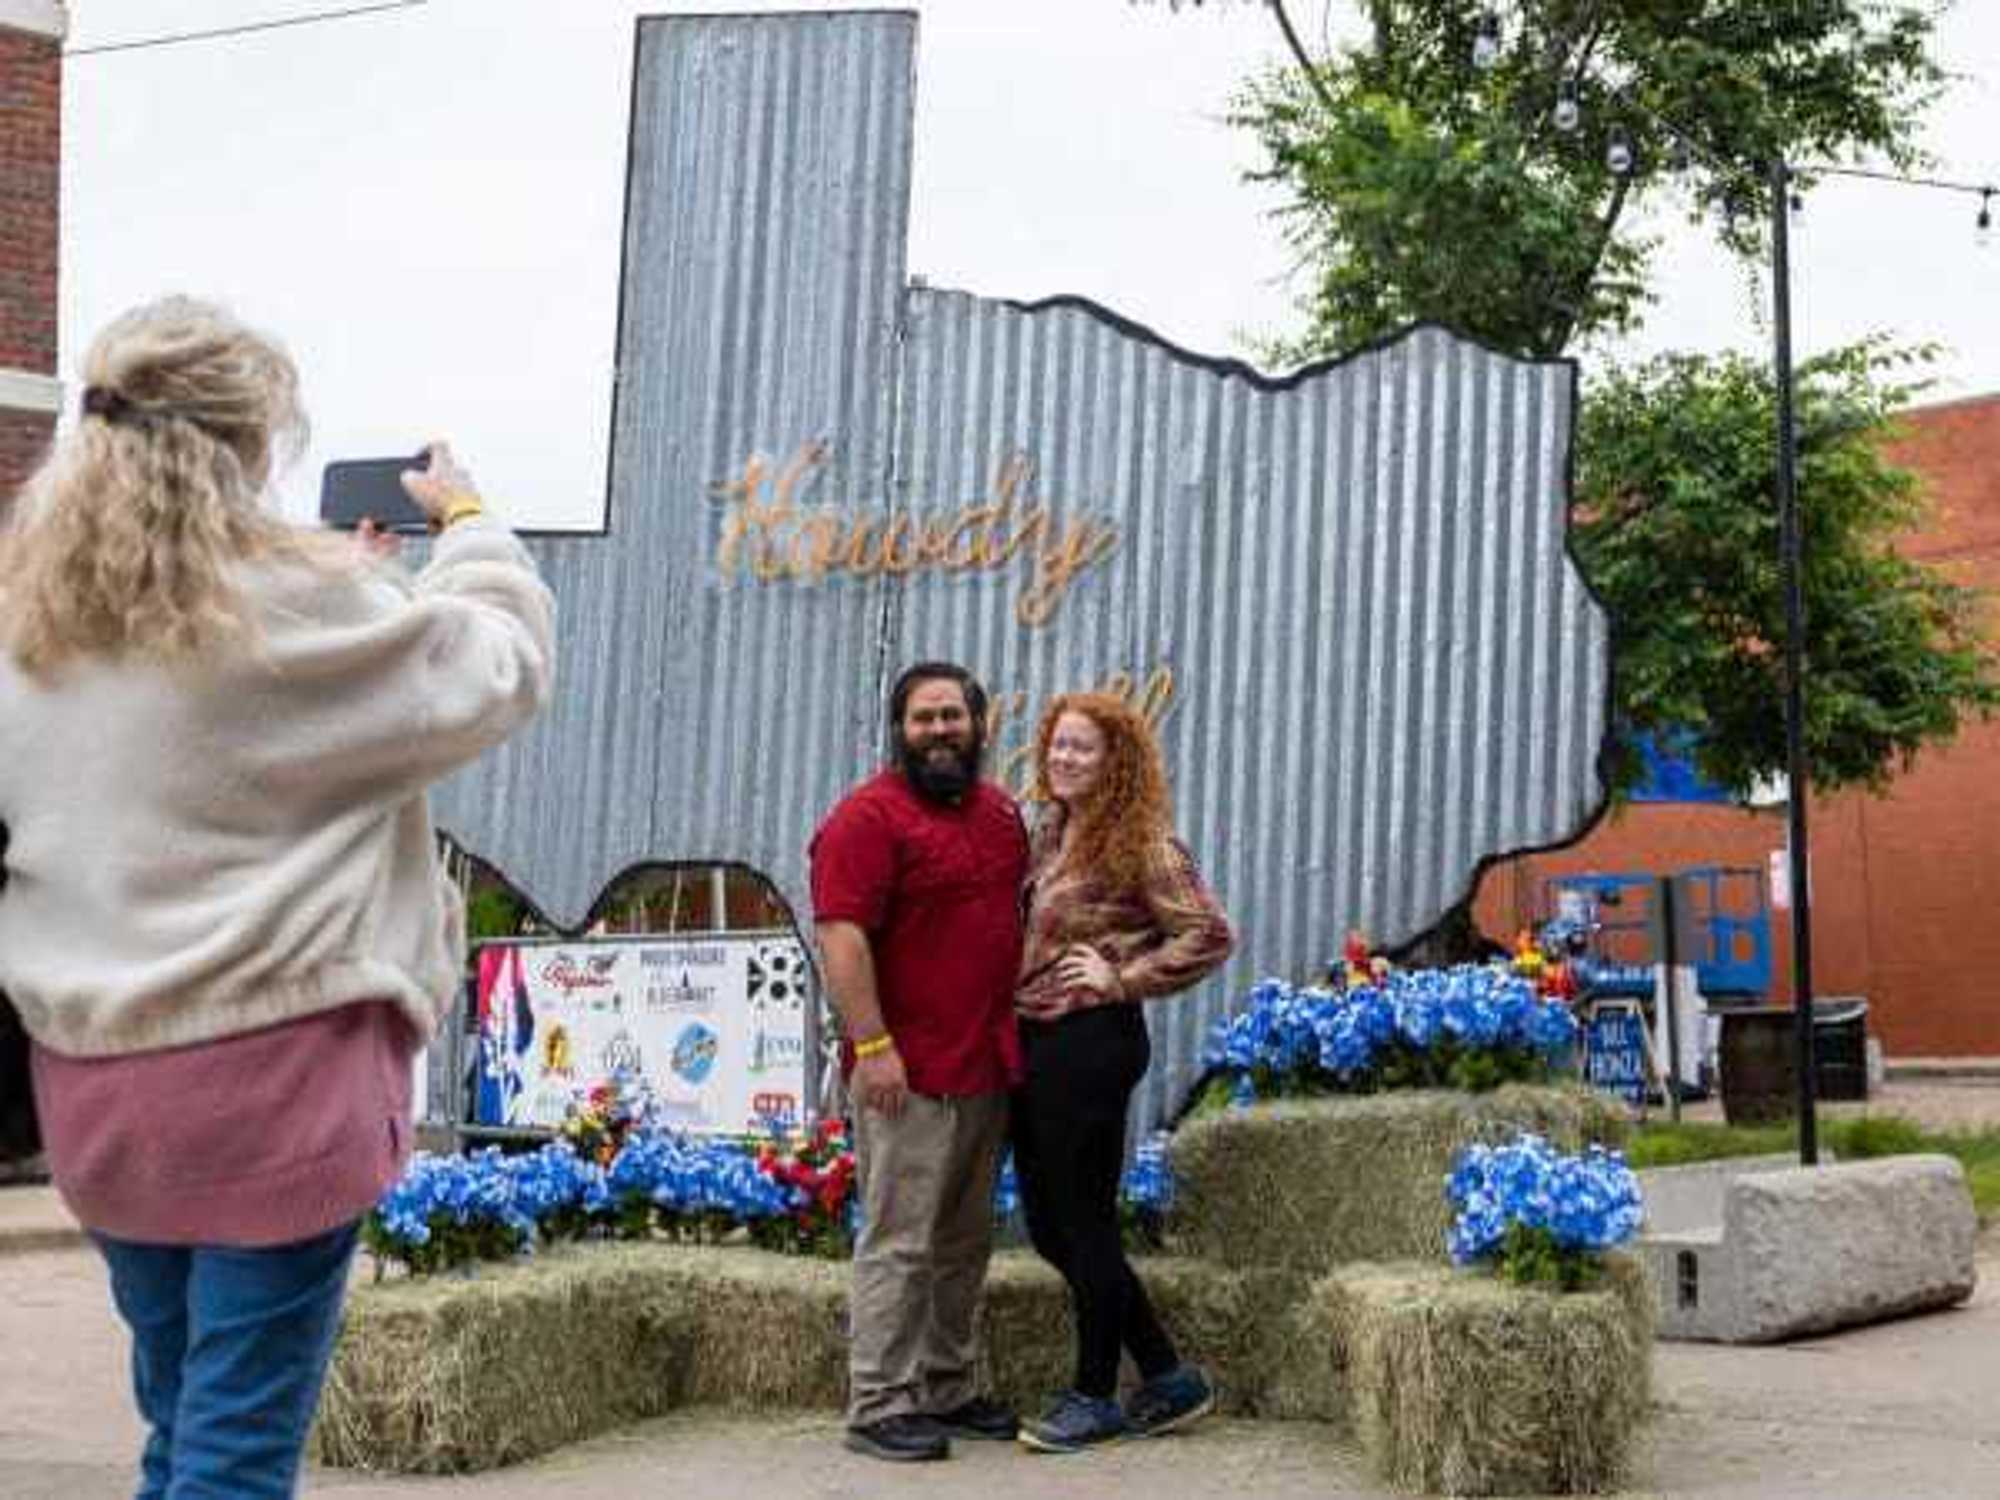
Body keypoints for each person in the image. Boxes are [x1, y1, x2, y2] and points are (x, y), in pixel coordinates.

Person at [0, 297, 554, 1499]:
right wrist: (466, 524)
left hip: (99, 1093)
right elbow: (497, 666)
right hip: (275, 1086)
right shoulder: (299, 604)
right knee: (238, 1453)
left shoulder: (32, 622)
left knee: (181, 1421)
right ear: (252, 446)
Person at [809, 661, 1028, 1463]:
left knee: (964, 1242)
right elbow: (841, 937)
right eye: (923, 718)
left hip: (984, 1065)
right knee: (900, 1242)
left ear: (979, 725)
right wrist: (873, 1047)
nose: (939, 731)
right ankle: (878, 1402)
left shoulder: (1001, 814)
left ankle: (946, 1385)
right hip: (904, 1072)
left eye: (952, 716)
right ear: (899, 730)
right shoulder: (865, 819)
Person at [1011, 691, 1234, 1454]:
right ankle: (1168, 1375)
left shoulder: (1144, 843)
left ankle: (1096, 1394)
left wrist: (1124, 978)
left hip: (1089, 1039)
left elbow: (1208, 933)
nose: (1064, 757)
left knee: (1084, 1221)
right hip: (1037, 1037)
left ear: (1117, 761)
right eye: (1057, 744)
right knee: (1050, 1226)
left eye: (1083, 747)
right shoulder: (1052, 833)